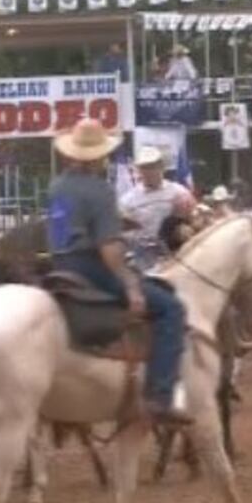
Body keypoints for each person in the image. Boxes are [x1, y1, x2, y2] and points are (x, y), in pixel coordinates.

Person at [47, 117, 189, 425]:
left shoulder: (56, 185)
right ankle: (160, 396)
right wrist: (130, 285)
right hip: (92, 267)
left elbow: (65, 230)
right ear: (99, 156)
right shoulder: (100, 190)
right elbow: (109, 249)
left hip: (61, 265)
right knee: (171, 308)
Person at [118, 146, 195, 270]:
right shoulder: (128, 200)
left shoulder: (179, 192)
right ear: (138, 170)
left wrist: (186, 228)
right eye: (144, 167)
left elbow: (194, 220)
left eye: (153, 166)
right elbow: (122, 232)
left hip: (176, 253)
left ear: (162, 167)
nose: (149, 171)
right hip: (143, 256)